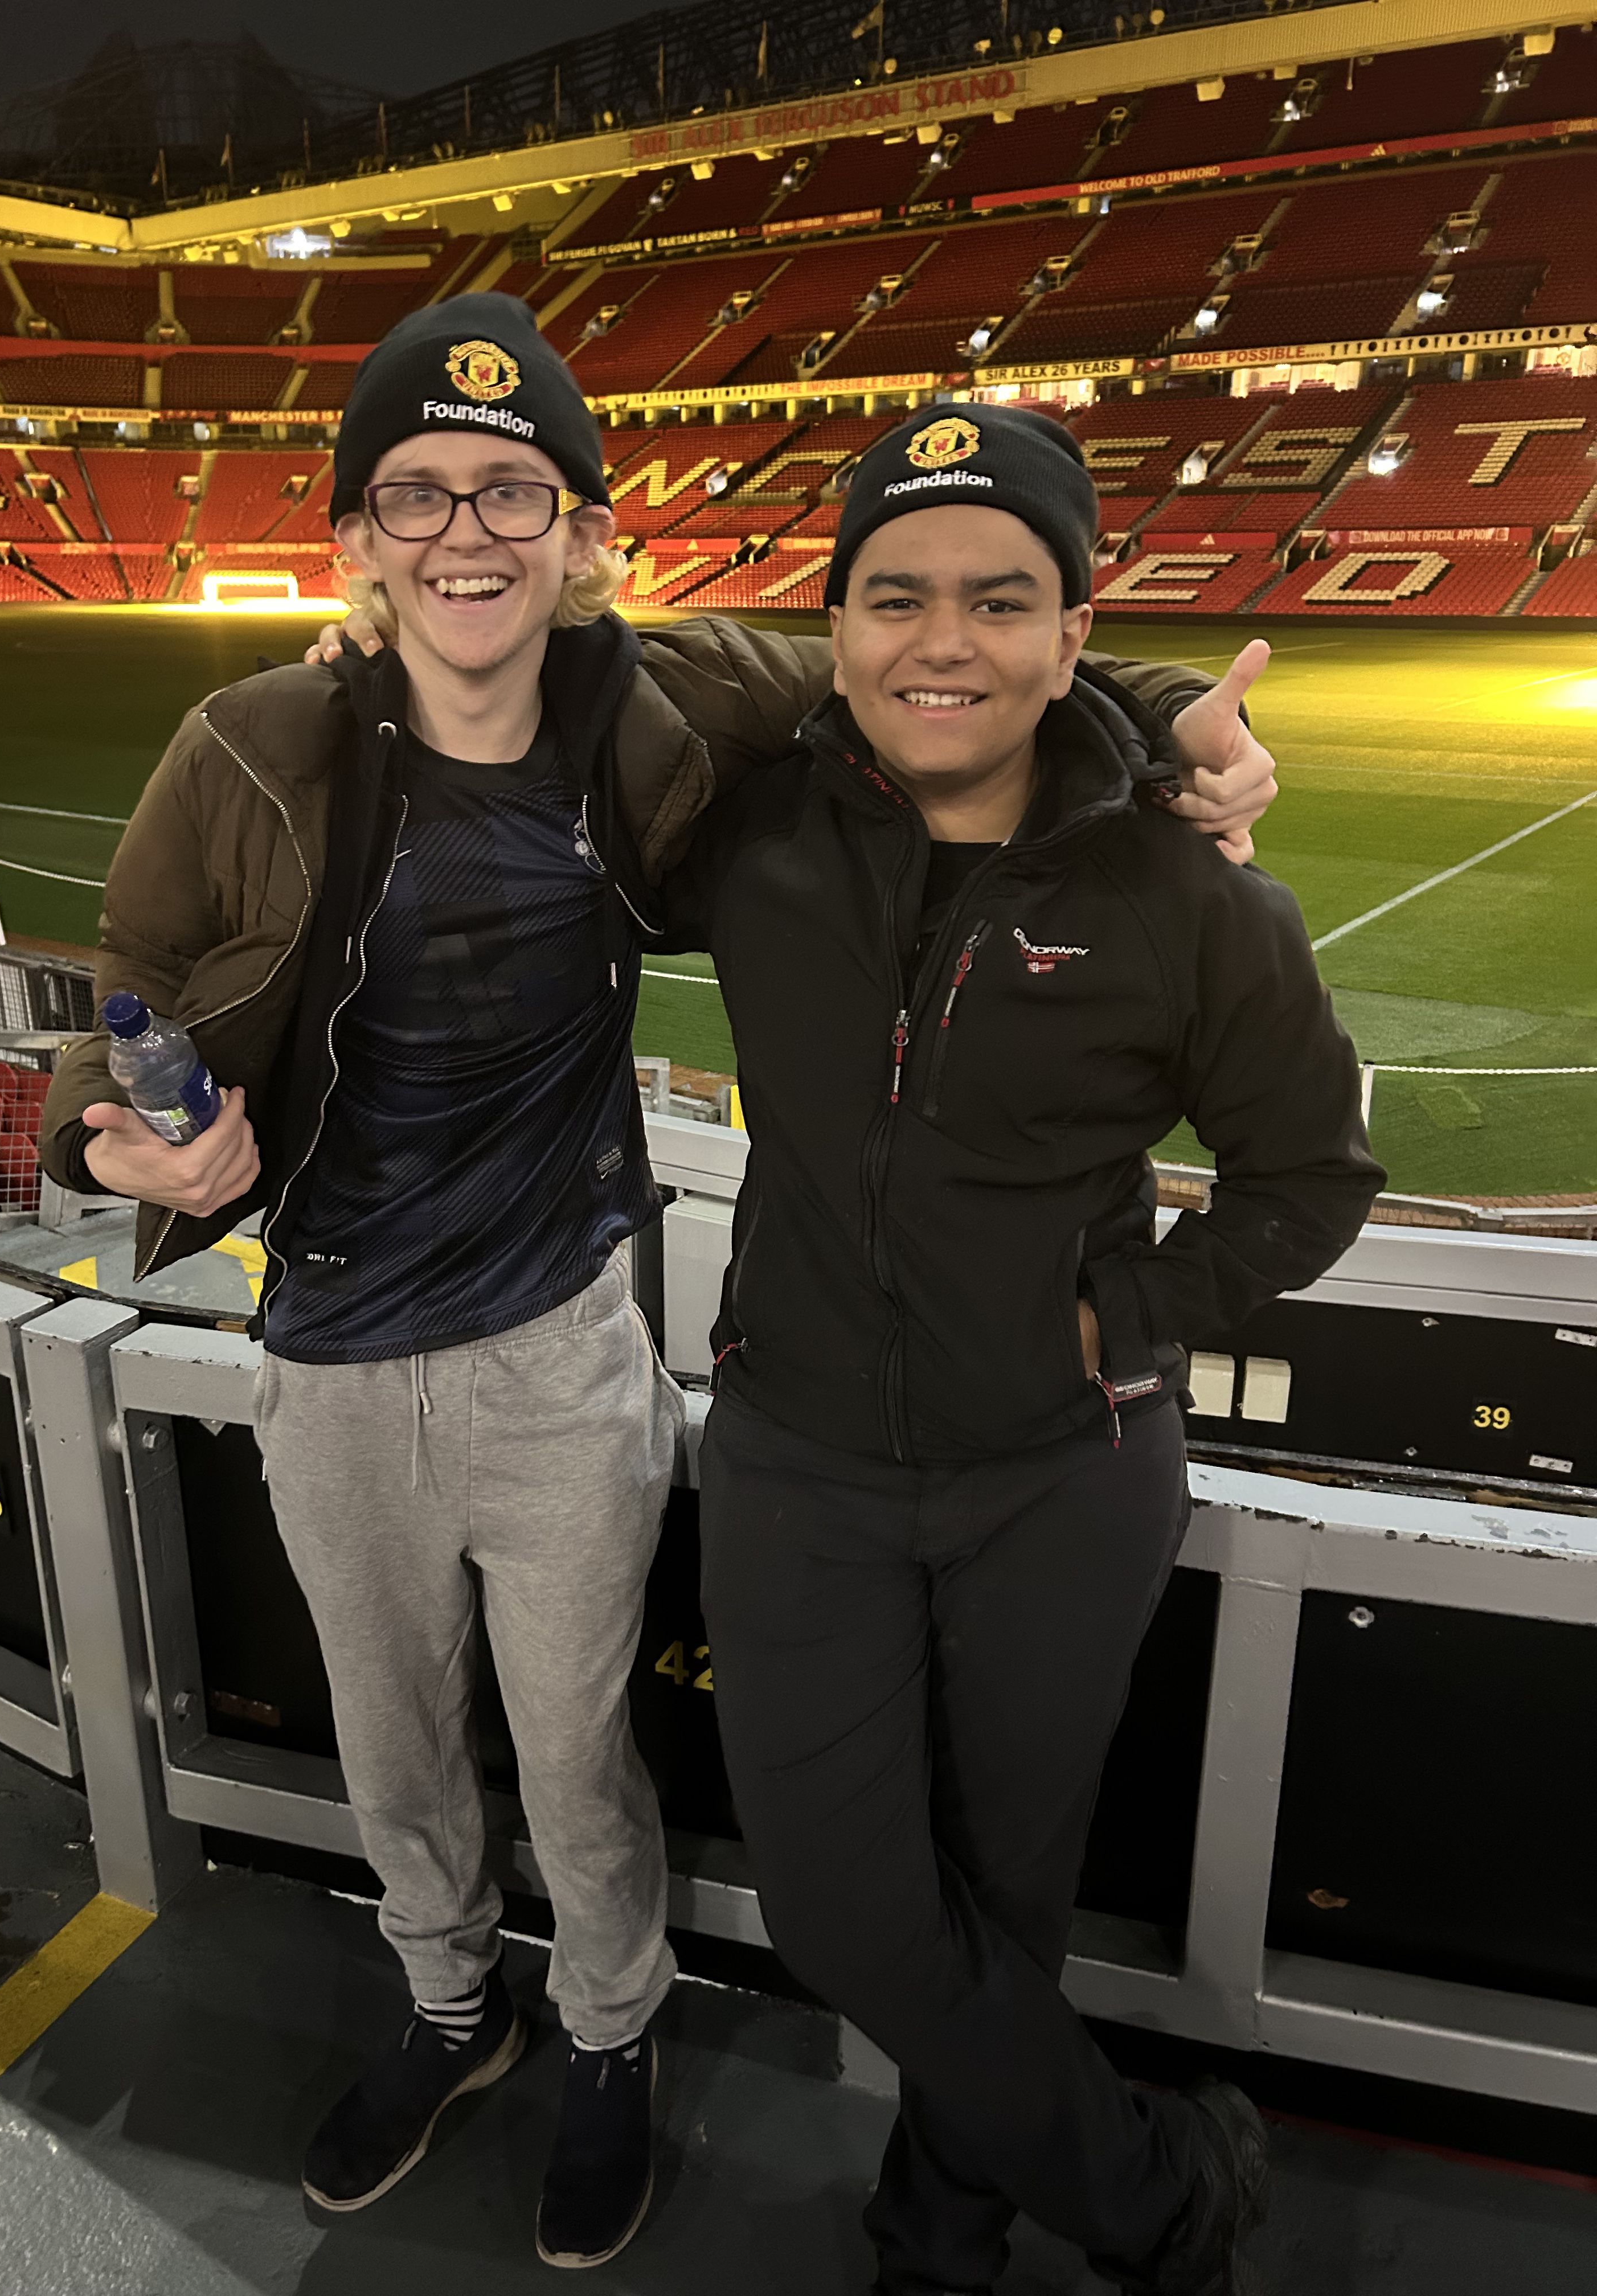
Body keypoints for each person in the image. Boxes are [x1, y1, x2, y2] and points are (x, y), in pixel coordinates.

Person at [39, 294, 1277, 2277]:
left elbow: (939, 648)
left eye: (513, 490)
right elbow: (124, 988)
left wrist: (1161, 715)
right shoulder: (248, 747)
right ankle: (458, 2012)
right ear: (357, 536)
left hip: (560, 1353)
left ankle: (610, 2038)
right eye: (420, 494)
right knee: (396, 1755)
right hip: (327, 1353)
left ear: (585, 532)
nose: (467, 532)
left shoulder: (675, 699)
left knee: (581, 1747)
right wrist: (116, 1134)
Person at [654, 404, 1385, 2295]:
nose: (941, 642)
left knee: (1007, 1898)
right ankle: (1156, 2190)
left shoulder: (1195, 900)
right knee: (840, 1901)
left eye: (1000, 599)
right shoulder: (750, 835)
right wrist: (348, 668)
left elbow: (1312, 1174)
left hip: (1063, 1474)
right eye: (892, 597)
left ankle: (940, 2239)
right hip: (799, 1457)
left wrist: (1116, 1317)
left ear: (1073, 632)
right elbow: (587, 675)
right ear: (837, 630)